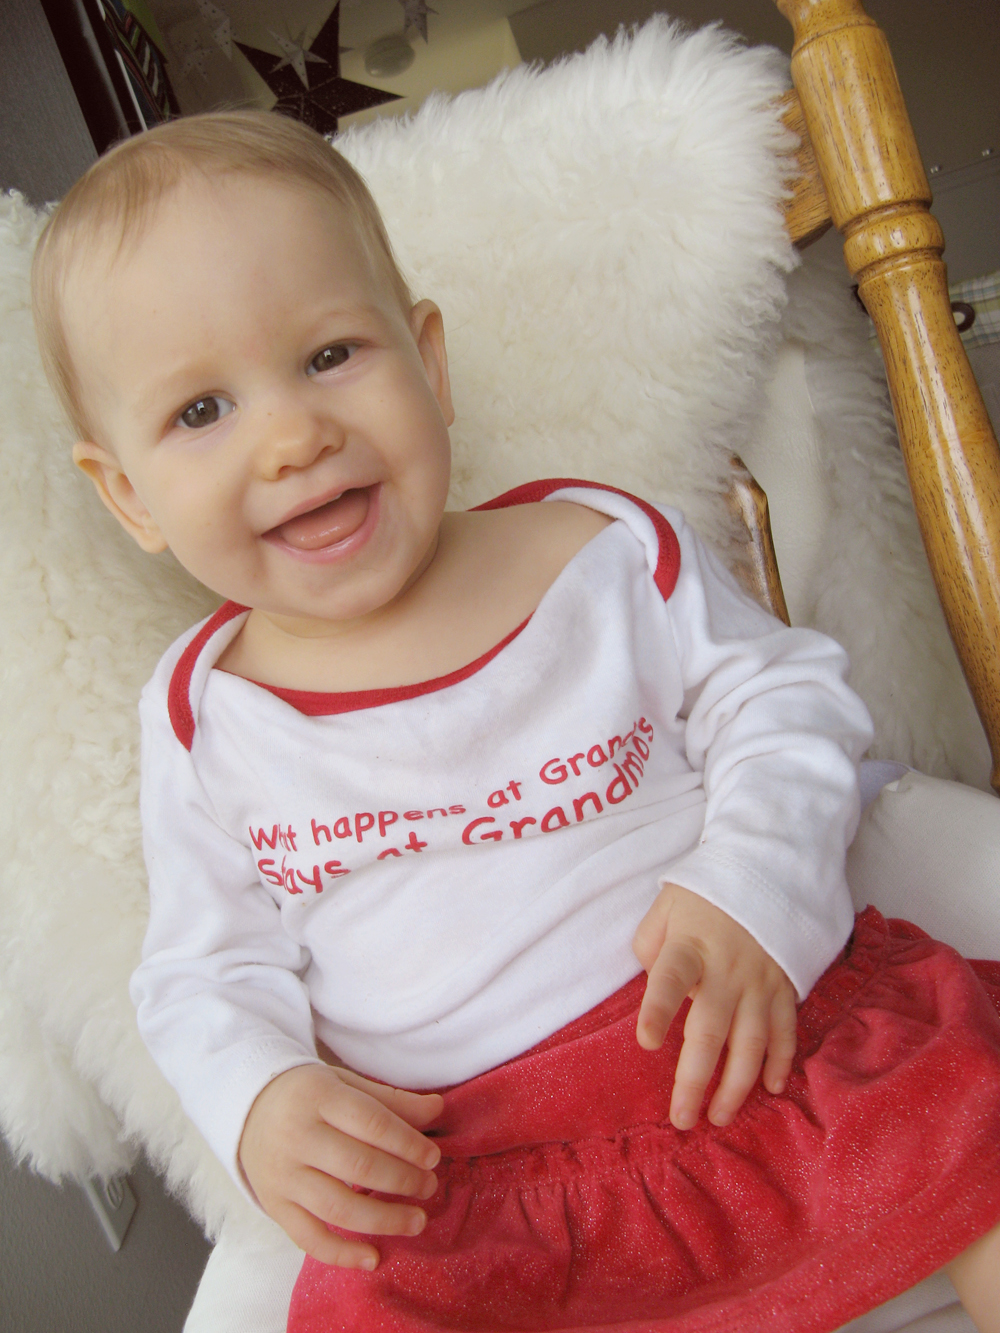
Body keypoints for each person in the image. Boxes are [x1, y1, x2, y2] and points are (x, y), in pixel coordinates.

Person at [31, 110, 1000, 1333]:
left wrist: (752, 884)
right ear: (129, 495)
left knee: (967, 1118)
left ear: (426, 361)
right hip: (484, 1187)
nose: (291, 434)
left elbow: (787, 698)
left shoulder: (592, 549)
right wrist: (263, 1098)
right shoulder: (205, 719)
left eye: (331, 355)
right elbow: (201, 971)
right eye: (200, 412)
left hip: (761, 1052)